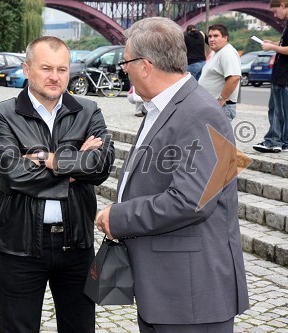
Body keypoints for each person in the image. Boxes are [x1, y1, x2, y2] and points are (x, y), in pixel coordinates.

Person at [95, 17, 249, 333]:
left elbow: (192, 201)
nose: (124, 71)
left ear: (146, 65)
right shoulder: (166, 107)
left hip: (191, 296)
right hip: (168, 290)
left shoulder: (200, 112)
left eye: (125, 64)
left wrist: (119, 217)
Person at [0, 36, 115, 333]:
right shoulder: (2, 115)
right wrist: (74, 165)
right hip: (20, 245)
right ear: (27, 69)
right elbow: (10, 175)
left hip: (77, 244)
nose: (55, 77)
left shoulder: (88, 110)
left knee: (80, 327)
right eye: (46, 68)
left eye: (62, 69)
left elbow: (101, 165)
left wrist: (48, 160)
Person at [253, 0, 288, 153]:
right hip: (283, 74)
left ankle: (272, 141)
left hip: (283, 74)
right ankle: (284, 142)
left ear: (282, 5)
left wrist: (272, 47)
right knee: (284, 111)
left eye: (275, 11)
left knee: (276, 110)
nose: (274, 15)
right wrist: (274, 42)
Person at [198, 24, 241, 121]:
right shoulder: (217, 52)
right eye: (210, 36)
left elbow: (234, 77)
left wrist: (221, 100)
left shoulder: (227, 53)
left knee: (216, 136)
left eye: (216, 36)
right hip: (211, 105)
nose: (211, 39)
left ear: (225, 38)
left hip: (221, 107)